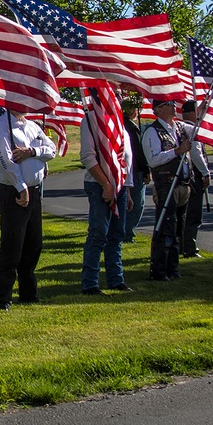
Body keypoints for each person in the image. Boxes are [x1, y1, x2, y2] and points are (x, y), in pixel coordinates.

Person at [0, 109, 56, 310]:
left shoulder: (33, 126)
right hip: (13, 192)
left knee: (34, 244)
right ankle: (2, 298)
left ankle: (28, 293)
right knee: (12, 246)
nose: (26, 103)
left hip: (34, 192)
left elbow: (51, 150)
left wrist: (32, 152)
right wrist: (20, 186)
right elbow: (4, 159)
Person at [79, 110, 135, 295]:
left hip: (120, 186)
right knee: (98, 234)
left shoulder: (118, 121)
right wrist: (106, 184)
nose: (118, 97)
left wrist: (126, 188)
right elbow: (88, 156)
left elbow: (124, 158)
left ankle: (116, 279)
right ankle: (90, 283)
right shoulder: (90, 119)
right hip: (98, 185)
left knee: (117, 235)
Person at [142, 99, 192, 281]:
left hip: (182, 184)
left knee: (178, 227)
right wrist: (177, 151)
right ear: (160, 109)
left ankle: (173, 268)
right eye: (169, 104)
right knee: (165, 227)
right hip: (166, 185)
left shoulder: (178, 127)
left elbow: (198, 130)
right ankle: (159, 270)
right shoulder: (152, 132)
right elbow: (153, 160)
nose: (173, 107)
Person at [180, 101, 211, 258]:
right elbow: (196, 154)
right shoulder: (192, 130)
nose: (201, 114)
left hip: (184, 177)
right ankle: (190, 248)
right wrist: (206, 173)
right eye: (199, 111)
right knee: (193, 215)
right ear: (192, 114)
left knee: (182, 214)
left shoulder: (179, 128)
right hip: (194, 176)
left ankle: (181, 245)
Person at [123, 102, 151, 243]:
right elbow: (139, 153)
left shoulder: (121, 125)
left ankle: (124, 230)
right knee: (136, 203)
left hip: (126, 169)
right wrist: (146, 170)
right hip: (135, 170)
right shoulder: (132, 129)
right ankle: (128, 232)